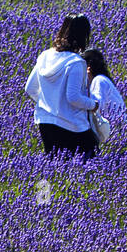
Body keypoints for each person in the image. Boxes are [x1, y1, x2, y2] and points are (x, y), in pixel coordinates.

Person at [23, 13, 100, 159]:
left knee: (56, 165)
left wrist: (48, 103)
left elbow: (30, 88)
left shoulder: (45, 56)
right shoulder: (76, 63)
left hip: (45, 122)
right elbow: (73, 98)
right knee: (89, 161)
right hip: (72, 125)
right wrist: (93, 105)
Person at [83, 48, 127, 136]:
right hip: (118, 128)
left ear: (88, 68)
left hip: (115, 130)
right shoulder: (103, 79)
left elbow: (96, 105)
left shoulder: (99, 80)